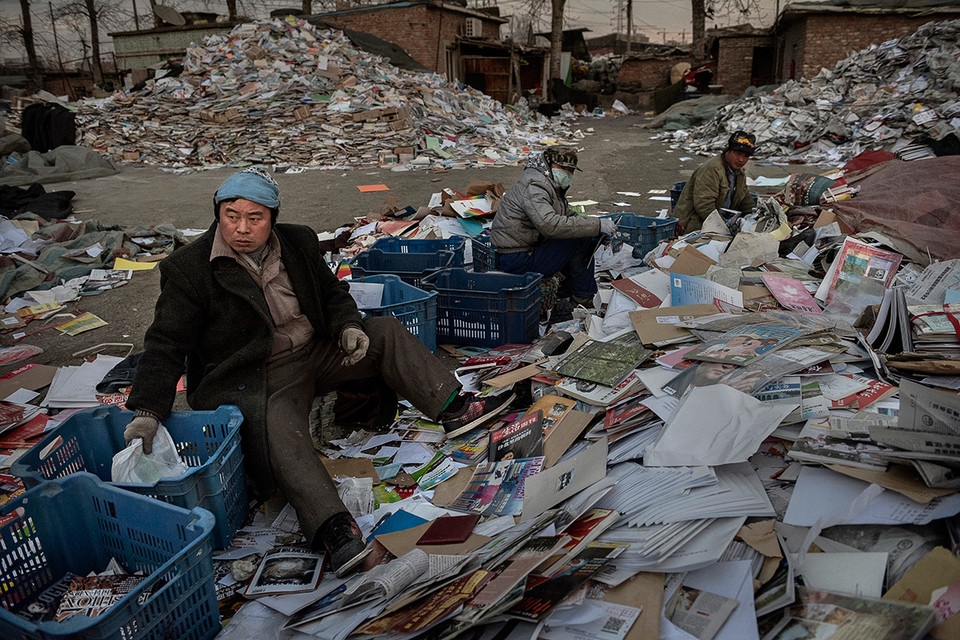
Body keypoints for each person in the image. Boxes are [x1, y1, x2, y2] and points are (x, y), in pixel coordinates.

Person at [122, 168, 512, 576]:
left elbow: (331, 293)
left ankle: (452, 407)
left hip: (317, 351)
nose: (241, 228)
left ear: (272, 217)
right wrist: (148, 410)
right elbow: (165, 344)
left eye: (254, 218)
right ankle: (334, 528)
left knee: (383, 332)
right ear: (217, 213)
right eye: (231, 216)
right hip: (260, 374)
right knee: (277, 427)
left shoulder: (297, 241)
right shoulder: (189, 269)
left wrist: (347, 327)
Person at [491, 147, 618, 309]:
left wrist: (597, 228)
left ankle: (567, 291)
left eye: (571, 170)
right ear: (548, 165)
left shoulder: (550, 186)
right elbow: (549, 225)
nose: (567, 173)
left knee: (585, 234)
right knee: (580, 239)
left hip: (528, 250)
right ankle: (582, 296)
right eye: (563, 169)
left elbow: (568, 216)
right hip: (518, 258)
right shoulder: (535, 186)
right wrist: (596, 226)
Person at [673, 131, 756, 233]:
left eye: (746, 156)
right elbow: (704, 206)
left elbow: (745, 199)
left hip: (719, 220)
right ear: (728, 150)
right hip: (696, 223)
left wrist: (754, 216)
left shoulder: (739, 172)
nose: (741, 159)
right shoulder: (712, 169)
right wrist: (724, 225)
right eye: (738, 154)